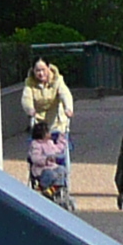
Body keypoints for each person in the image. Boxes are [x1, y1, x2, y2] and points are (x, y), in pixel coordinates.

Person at [21, 59, 77, 209]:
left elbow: (65, 94)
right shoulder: (30, 84)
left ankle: (57, 190)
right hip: (40, 127)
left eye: (43, 70)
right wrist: (30, 110)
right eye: (37, 70)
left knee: (61, 165)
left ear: (49, 69)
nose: (41, 73)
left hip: (55, 123)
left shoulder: (57, 80)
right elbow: (26, 99)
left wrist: (68, 108)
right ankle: (44, 188)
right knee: (47, 168)